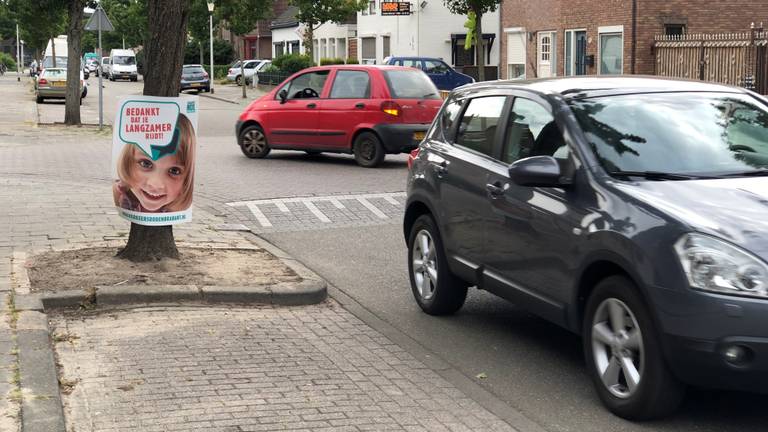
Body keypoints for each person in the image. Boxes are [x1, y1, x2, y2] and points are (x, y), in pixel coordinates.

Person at [113, 113, 196, 213]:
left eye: (174, 171)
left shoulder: (180, 209)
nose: (155, 185)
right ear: (128, 161)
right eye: (146, 164)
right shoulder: (119, 194)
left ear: (187, 180)